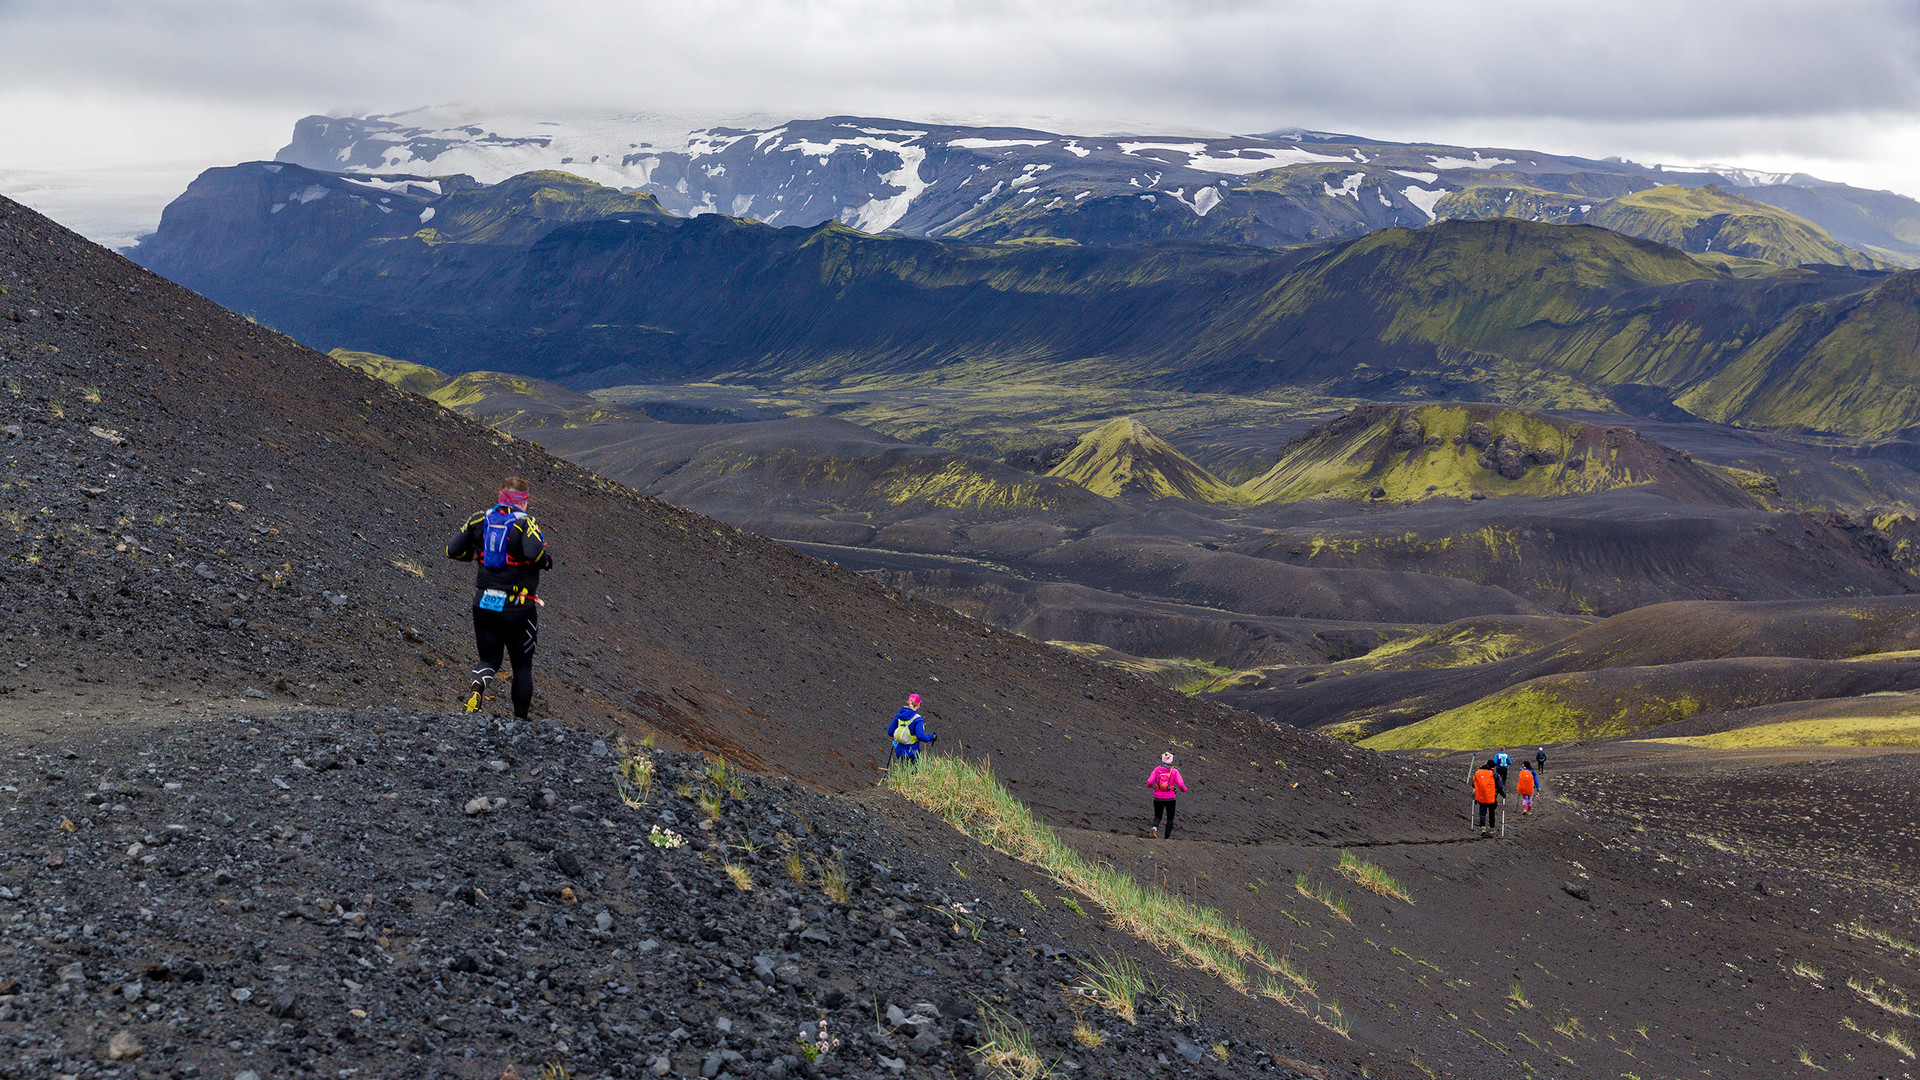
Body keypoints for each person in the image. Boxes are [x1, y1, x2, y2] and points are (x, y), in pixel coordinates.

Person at [447, 476, 553, 719]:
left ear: (500, 498)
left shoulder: (479, 519)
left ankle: (477, 689)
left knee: (488, 659)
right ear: (523, 502)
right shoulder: (526, 523)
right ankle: (520, 721)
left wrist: (474, 555)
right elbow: (535, 554)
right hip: (518, 607)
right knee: (522, 666)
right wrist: (546, 562)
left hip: (483, 603)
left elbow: (452, 550)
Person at [1147, 751, 1188, 839]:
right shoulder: (1174, 771)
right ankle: (1166, 838)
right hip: (1170, 798)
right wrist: (1184, 790)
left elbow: (1149, 782)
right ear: (1171, 761)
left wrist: (1150, 786)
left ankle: (1154, 828)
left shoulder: (1157, 770)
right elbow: (1180, 784)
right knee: (1170, 817)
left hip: (1157, 797)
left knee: (1158, 815)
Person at [889, 693, 936, 761]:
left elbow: (890, 732)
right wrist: (931, 737)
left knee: (902, 769)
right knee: (914, 771)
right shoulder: (917, 719)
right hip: (912, 753)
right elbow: (920, 736)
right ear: (918, 705)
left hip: (899, 752)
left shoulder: (899, 715)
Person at [1473, 759, 1499, 836]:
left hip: (1481, 796)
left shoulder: (1477, 773)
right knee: (1491, 812)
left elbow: (1473, 784)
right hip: (1491, 796)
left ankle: (1483, 827)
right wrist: (1500, 793)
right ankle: (1491, 828)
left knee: (1482, 812)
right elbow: (1499, 785)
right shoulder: (1493, 774)